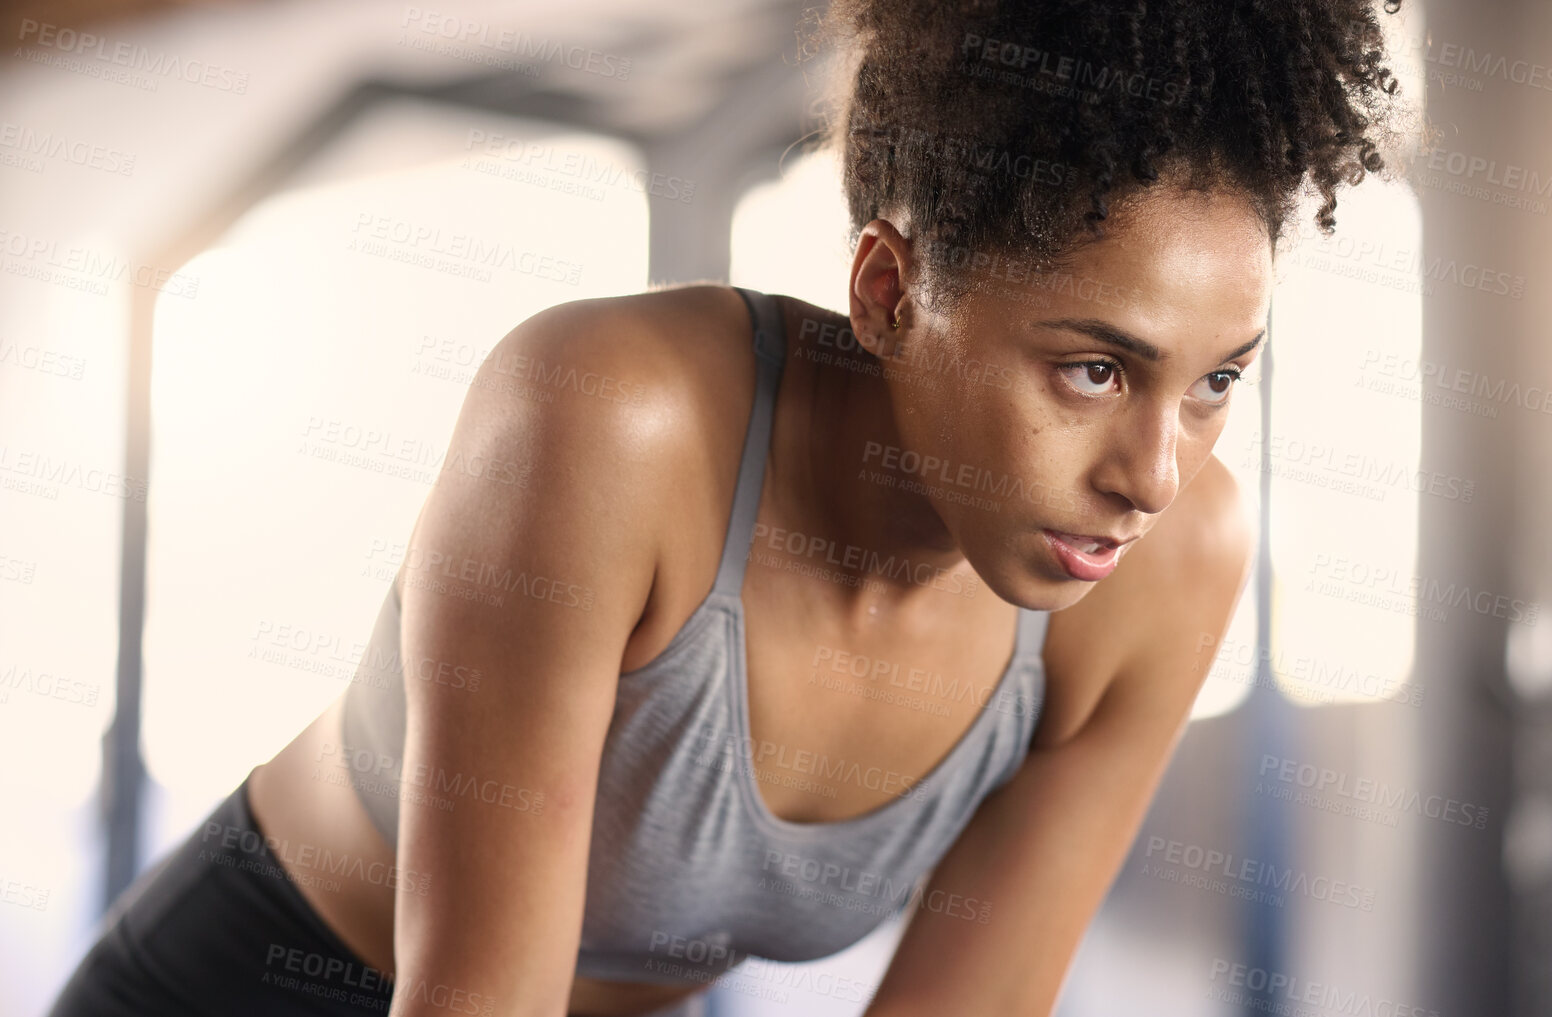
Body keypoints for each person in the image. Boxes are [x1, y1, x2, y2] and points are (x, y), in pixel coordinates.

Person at [48, 0, 1404, 1014]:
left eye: (1218, 379)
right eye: (1094, 368)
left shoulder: (1171, 566)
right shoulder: (607, 417)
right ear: (885, 288)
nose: (1154, 472)